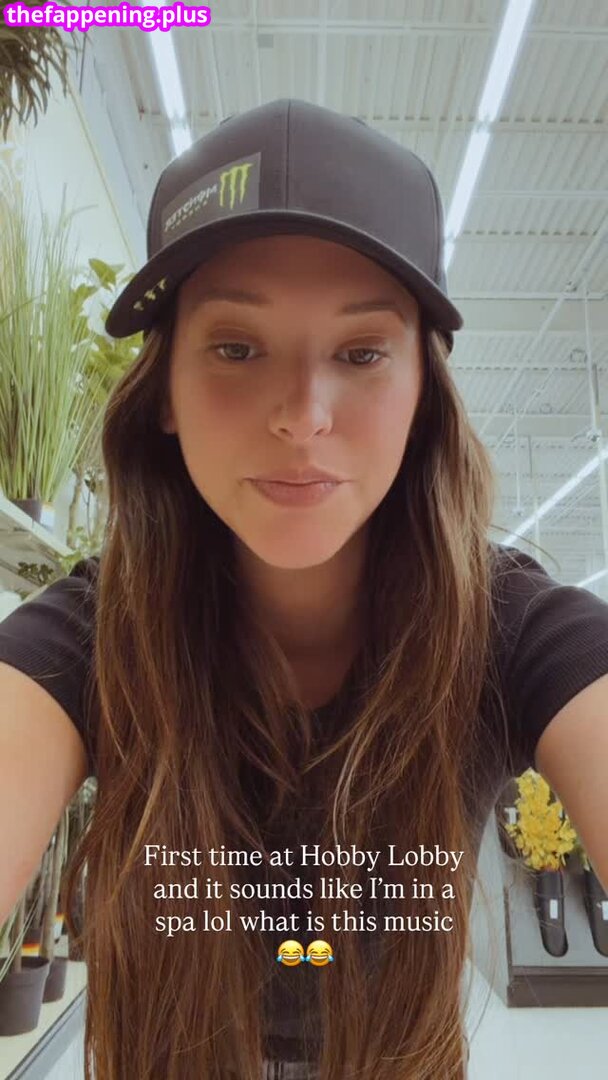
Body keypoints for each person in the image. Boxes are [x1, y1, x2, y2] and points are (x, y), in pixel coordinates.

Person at [2, 98, 608, 1080]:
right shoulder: (95, 631)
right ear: (164, 391)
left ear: (422, 393)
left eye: (361, 353)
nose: (302, 415)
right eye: (236, 348)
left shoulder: (508, 626)